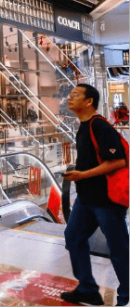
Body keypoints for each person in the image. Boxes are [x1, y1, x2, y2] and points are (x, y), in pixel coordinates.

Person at [61, 84, 128, 306]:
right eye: (70, 94)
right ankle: (87, 288)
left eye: (76, 95)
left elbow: (118, 161)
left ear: (89, 101)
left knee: (118, 248)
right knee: (73, 237)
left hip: (107, 200)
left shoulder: (99, 126)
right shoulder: (83, 126)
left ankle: (126, 295)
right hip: (86, 199)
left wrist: (82, 175)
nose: (70, 98)